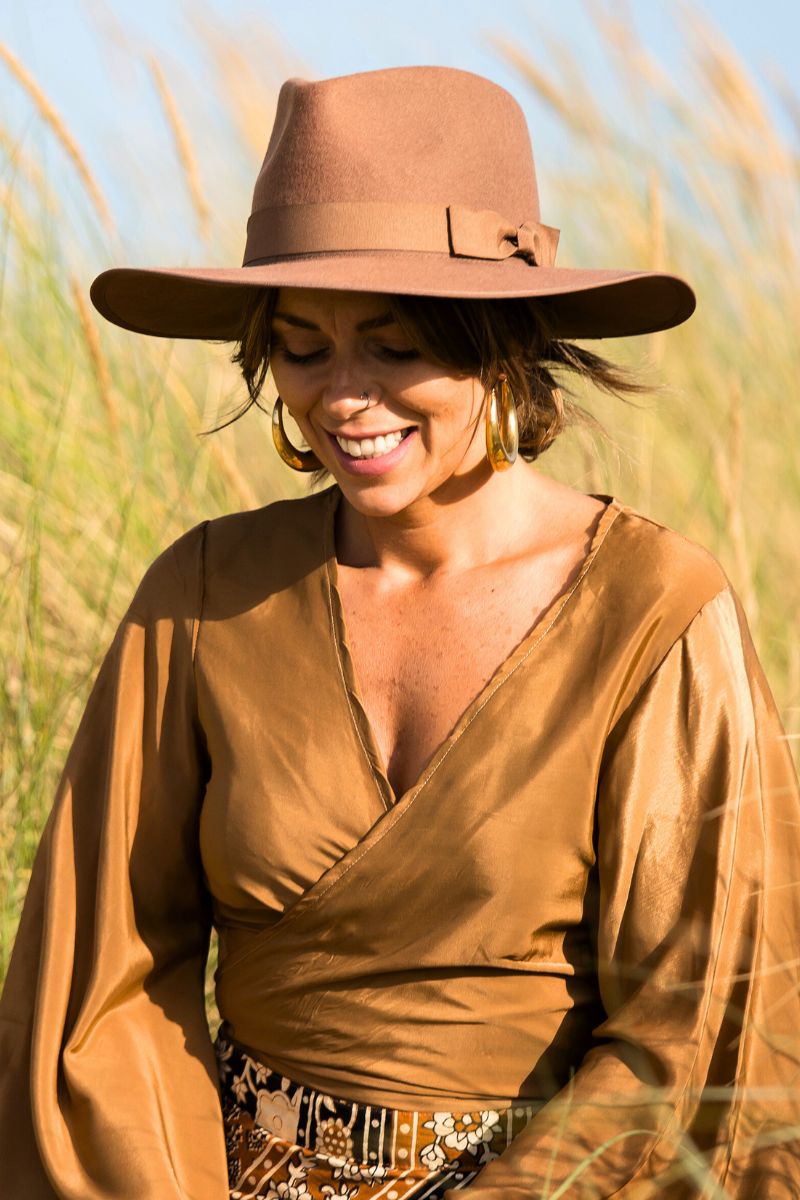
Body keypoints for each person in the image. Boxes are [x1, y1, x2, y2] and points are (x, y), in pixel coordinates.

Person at [1, 64, 798, 1200]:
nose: (342, 397)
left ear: (503, 342)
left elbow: (701, 1018)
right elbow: (103, 985)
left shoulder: (652, 613)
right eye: (302, 346)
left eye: (396, 345)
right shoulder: (201, 596)